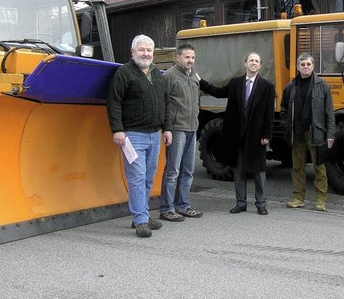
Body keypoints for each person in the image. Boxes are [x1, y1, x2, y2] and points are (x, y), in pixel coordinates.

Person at [107, 34, 172, 238]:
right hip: (133, 136)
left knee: (148, 178)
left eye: (149, 50)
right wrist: (117, 129)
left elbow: (166, 103)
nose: (146, 54)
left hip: (154, 135)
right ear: (133, 52)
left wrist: (167, 128)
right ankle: (141, 220)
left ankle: (140, 215)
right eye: (142, 50)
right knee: (136, 177)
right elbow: (114, 102)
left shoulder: (158, 75)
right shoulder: (124, 73)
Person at [199, 52, 276, 215]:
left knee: (258, 171)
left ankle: (261, 204)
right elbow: (218, 92)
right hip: (236, 135)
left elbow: (269, 114)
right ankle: (241, 203)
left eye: (257, 61)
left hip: (256, 137)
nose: (254, 63)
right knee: (238, 170)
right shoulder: (235, 83)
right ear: (245, 64)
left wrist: (267, 135)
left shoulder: (267, 87)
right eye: (251, 60)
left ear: (260, 65)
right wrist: (200, 82)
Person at [280, 52, 336, 211]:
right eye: (302, 64)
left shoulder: (322, 86)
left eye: (308, 64)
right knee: (297, 167)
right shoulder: (291, 86)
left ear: (313, 66)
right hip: (297, 133)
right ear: (298, 67)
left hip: (316, 132)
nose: (305, 67)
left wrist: (330, 134)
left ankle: (321, 199)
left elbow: (329, 112)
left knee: (319, 166)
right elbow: (283, 108)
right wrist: (286, 126)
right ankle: (298, 198)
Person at [159, 43, 203, 222]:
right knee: (173, 171)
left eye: (192, 57)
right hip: (177, 129)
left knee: (188, 170)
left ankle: (183, 205)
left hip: (192, 128)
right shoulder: (169, 76)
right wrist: (166, 128)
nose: (190, 60)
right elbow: (163, 104)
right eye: (187, 57)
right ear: (177, 57)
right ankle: (166, 208)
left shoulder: (194, 77)